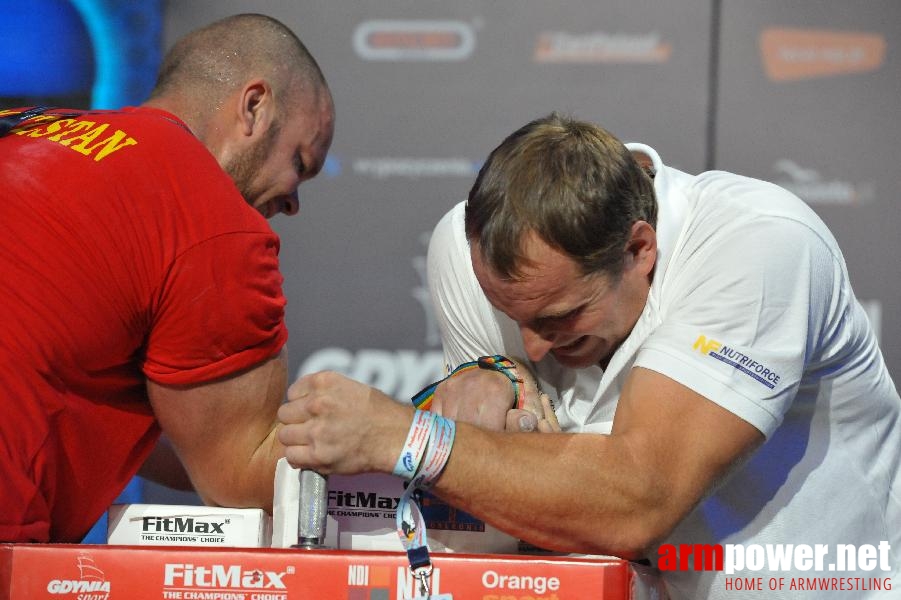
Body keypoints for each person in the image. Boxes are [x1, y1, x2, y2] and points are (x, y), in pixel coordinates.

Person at [278, 113, 899, 598]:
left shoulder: (758, 247)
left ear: (640, 248)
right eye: (514, 321)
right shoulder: (463, 256)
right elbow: (509, 500)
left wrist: (407, 436)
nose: (533, 347)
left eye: (560, 318)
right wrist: (489, 377)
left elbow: (637, 498)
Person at [0, 13, 334, 543]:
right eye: (300, 161)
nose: (293, 202)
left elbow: (179, 438)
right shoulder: (209, 216)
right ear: (254, 106)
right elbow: (237, 478)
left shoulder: (30, 130)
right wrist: (395, 442)